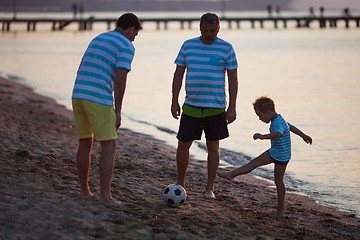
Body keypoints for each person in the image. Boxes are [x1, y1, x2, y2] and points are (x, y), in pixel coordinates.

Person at [71, 13, 142, 205]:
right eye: (135, 34)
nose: (134, 38)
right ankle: (105, 196)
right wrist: (118, 111)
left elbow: (81, 67)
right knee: (109, 145)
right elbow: (120, 80)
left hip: (78, 93)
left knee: (85, 143)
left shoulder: (98, 38)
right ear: (131, 29)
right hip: (98, 98)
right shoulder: (126, 45)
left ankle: (85, 191)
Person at [171, 12, 238, 199]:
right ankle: (180, 183)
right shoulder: (188, 45)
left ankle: (210, 188)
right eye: (205, 30)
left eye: (212, 31)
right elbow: (178, 74)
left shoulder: (227, 48)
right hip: (191, 105)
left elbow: (233, 80)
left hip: (215, 107)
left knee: (213, 147)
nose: (208, 34)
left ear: (218, 28)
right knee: (183, 144)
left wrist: (232, 107)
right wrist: (174, 100)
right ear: (200, 27)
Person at [217, 96, 312, 217]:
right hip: (275, 151)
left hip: (282, 155)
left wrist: (263, 136)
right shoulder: (279, 119)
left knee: (278, 180)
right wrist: (303, 135)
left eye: (260, 116)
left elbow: (278, 133)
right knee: (254, 162)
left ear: (268, 112)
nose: (260, 119)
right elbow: (290, 126)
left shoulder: (277, 123)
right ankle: (231, 174)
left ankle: (281, 207)